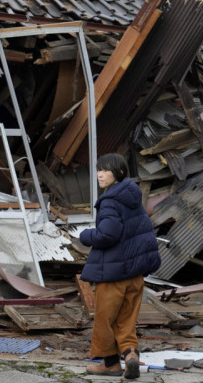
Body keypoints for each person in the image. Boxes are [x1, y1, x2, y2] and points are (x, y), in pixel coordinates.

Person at [80, 153, 161, 379]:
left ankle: (110, 364)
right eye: (99, 169)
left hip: (113, 274)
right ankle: (130, 355)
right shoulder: (133, 198)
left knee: (105, 320)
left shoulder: (110, 201)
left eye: (106, 170)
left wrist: (86, 235)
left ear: (120, 173)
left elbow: (108, 234)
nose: (100, 174)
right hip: (135, 274)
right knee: (126, 319)